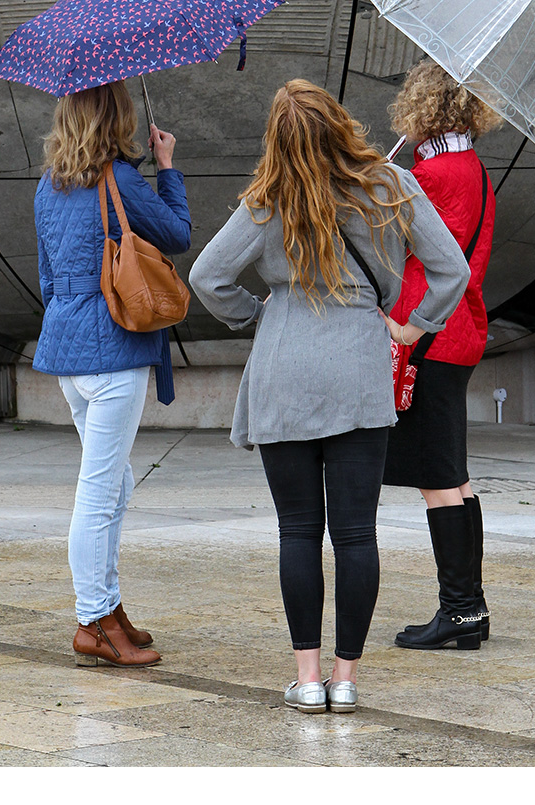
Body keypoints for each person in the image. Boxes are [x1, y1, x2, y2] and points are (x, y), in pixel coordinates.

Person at [189, 80, 470, 712]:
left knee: (296, 530)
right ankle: (345, 682)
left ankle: (307, 678)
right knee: (355, 533)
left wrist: (254, 312)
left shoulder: (267, 198)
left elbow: (206, 275)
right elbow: (453, 268)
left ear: (277, 139)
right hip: (360, 365)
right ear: (341, 124)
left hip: (283, 366)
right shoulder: (391, 185)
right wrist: (412, 323)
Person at [32, 81, 191, 666]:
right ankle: (92, 618)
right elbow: (177, 234)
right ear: (116, 117)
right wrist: (167, 165)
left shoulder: (48, 187)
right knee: (99, 494)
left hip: (69, 354)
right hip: (116, 350)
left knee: (115, 484)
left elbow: (47, 278)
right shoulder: (120, 179)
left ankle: (111, 605)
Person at [380, 60, 503, 651]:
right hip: (462, 332)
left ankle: (458, 610)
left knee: (438, 477)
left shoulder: (430, 176)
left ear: (422, 110)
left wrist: (381, 183)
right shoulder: (472, 168)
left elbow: (396, 246)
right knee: (456, 475)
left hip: (426, 334)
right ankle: (468, 608)